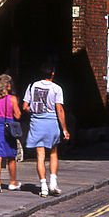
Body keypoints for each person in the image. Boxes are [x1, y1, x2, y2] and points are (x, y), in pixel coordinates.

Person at [22, 60, 70, 197]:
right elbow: (59, 109)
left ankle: (43, 186)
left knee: (40, 156)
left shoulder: (32, 86)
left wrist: (34, 111)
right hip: (51, 122)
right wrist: (65, 129)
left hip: (36, 123)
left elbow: (25, 107)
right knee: (53, 153)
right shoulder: (57, 88)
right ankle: (53, 183)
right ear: (53, 73)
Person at [0, 73, 22, 193]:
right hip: (9, 129)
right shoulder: (12, 99)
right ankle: (13, 182)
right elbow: (18, 115)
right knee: (11, 157)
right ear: (7, 85)